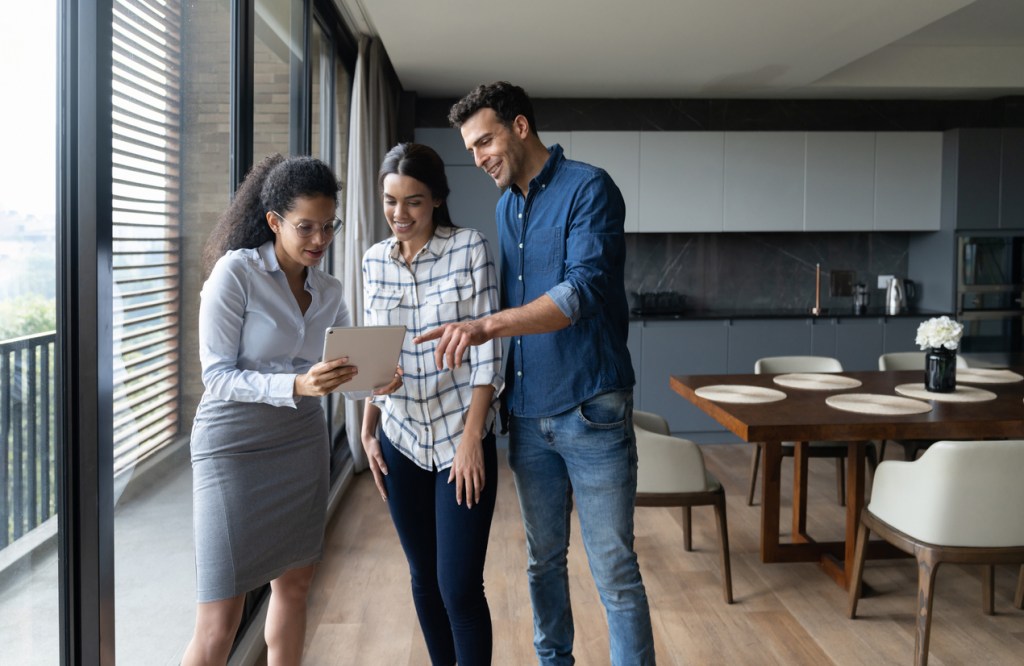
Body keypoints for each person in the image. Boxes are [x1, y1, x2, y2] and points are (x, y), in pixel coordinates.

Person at [416, 82, 656, 665]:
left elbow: (580, 293)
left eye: (485, 141)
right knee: (542, 562)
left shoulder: (589, 188)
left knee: (614, 570)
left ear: (520, 127)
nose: (478, 158)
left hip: (591, 408)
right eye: (470, 148)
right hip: (526, 416)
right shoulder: (505, 207)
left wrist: (485, 326)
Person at [184, 154, 399, 666]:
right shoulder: (235, 274)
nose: (320, 240)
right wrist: (296, 382)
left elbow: (342, 378)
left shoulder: (329, 290)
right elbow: (215, 376)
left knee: (295, 585)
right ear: (275, 222)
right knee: (220, 619)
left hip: (300, 444)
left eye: (329, 226)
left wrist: (374, 383)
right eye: (306, 227)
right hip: (232, 447)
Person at [360, 142, 503, 666]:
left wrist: (472, 440)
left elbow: (489, 352)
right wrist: (368, 426)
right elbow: (373, 353)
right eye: (390, 201)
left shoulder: (470, 247)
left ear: (438, 199)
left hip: (456, 438)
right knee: (423, 577)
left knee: (459, 586)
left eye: (414, 201)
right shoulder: (374, 260)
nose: (400, 214)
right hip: (400, 439)